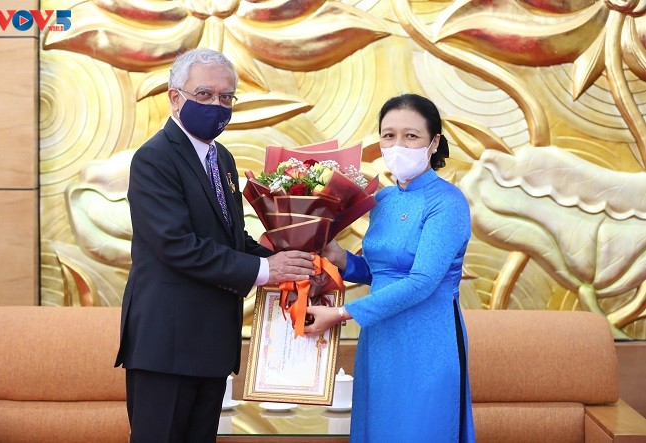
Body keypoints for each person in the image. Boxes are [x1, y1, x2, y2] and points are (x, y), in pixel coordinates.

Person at [114, 48, 315, 442]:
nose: (216, 106)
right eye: (204, 94)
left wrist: (289, 262)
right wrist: (266, 270)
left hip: (211, 344)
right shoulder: (154, 159)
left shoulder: (221, 158)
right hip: (167, 345)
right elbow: (177, 245)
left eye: (226, 97)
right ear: (175, 98)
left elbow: (232, 239)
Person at [304, 93, 476, 442]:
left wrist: (341, 314)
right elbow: (381, 272)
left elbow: (421, 281)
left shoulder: (448, 202)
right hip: (381, 339)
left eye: (411, 136)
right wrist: (340, 258)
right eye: (389, 135)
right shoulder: (383, 199)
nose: (398, 145)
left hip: (427, 339)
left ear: (434, 142)